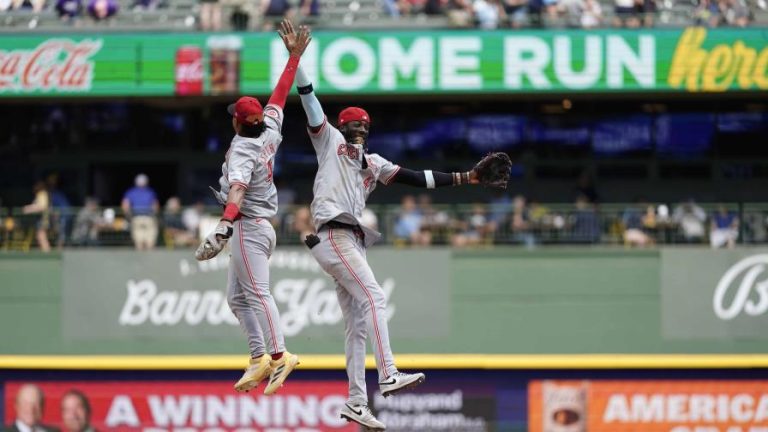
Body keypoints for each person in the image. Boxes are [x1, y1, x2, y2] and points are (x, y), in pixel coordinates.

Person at [278, 20, 509, 431]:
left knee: (357, 325)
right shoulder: (329, 141)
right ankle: (387, 375)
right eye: (354, 124)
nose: (360, 129)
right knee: (375, 297)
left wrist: (467, 178)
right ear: (343, 126)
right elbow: (309, 98)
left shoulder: (374, 162)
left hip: (349, 240)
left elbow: (418, 177)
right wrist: (297, 59)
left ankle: (354, 401)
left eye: (364, 125)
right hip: (334, 233)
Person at [194, 22, 311, 395]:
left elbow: (238, 191)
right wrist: (294, 58)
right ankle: (260, 356)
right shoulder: (269, 128)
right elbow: (278, 94)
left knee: (258, 293)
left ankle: (279, 356)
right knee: (237, 297)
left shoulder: (244, 149)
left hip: (248, 225)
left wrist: (225, 226)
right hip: (260, 225)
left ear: (236, 121)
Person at [121, 173, 160, 251]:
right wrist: (155, 215)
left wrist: (128, 216)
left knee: (139, 243)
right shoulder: (150, 192)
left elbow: (125, 205)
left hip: (137, 218)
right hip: (148, 218)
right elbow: (155, 206)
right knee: (149, 243)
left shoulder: (131, 192)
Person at [22, 181, 52, 253]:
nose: (34, 188)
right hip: (40, 219)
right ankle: (45, 252)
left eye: (35, 186)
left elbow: (42, 206)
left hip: (42, 219)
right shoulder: (41, 194)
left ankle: (47, 253)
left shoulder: (42, 194)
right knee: (39, 236)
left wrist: (29, 209)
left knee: (41, 236)